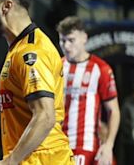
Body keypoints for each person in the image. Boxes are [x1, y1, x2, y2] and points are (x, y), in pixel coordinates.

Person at [0, 0, 73, 164]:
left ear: (7, 6)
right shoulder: (18, 48)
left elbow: (45, 116)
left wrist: (9, 162)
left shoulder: (32, 53)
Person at [57, 16, 120, 165]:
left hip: (85, 147)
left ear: (84, 38)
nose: (66, 46)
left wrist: (109, 145)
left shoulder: (101, 69)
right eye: (62, 40)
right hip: (56, 146)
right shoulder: (55, 67)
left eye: (71, 40)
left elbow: (114, 111)